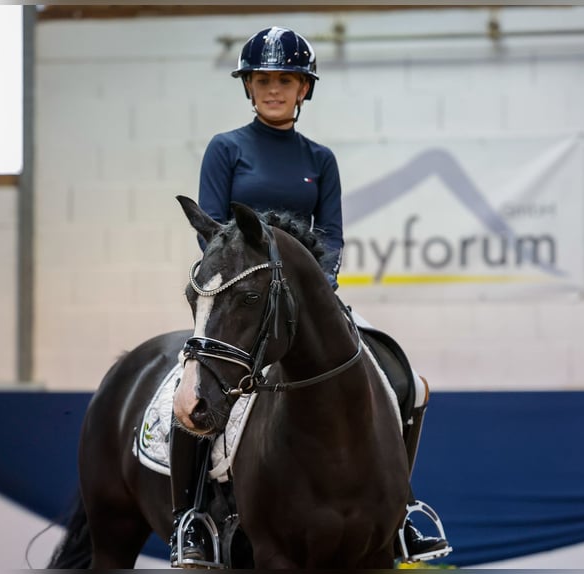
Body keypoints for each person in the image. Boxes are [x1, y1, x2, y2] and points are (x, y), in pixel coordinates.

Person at [169, 25, 451, 566]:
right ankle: (196, 519)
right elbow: (212, 233)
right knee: (185, 400)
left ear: (304, 88)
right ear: (248, 87)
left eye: (286, 80)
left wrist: (317, 287)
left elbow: (333, 233)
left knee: (408, 384)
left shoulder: (320, 160)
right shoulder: (226, 149)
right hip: (241, 302)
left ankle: (402, 514)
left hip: (311, 299)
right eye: (263, 79)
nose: (273, 89)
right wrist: (242, 284)